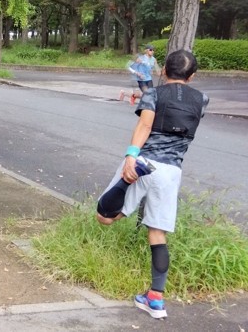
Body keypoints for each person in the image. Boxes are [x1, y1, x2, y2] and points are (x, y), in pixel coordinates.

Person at [96, 50, 207, 320]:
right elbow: (176, 112)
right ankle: (156, 299)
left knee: (105, 217)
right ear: (192, 76)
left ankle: (124, 184)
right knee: (157, 234)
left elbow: (147, 125)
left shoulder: (154, 94)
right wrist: (145, 96)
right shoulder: (202, 99)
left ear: (163, 71)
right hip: (171, 172)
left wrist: (131, 157)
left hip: (145, 162)